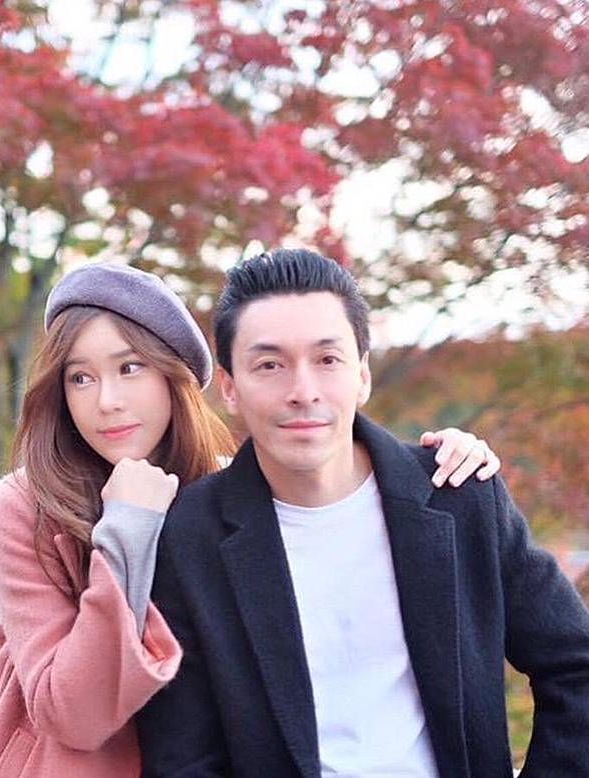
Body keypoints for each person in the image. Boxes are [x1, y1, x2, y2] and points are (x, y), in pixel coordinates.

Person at [0, 262, 497, 778]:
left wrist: (445, 460)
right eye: (80, 378)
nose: (107, 401)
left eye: (130, 368)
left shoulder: (225, 496)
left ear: (173, 375)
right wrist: (126, 533)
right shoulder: (27, 505)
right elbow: (74, 717)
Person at [137, 249, 589, 778]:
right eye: (269, 365)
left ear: (363, 374)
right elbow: (183, 755)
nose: (302, 392)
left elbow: (575, 667)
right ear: (231, 388)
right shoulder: (190, 532)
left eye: (327, 360)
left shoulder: (457, 494)